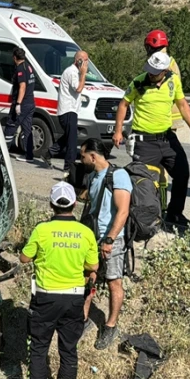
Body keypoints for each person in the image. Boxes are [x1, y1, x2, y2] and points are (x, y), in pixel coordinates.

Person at [20, 181, 99, 379]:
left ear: (51, 205)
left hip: (45, 298)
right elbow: (93, 266)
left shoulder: (42, 230)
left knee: (38, 349)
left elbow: (24, 258)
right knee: (68, 351)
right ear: (74, 204)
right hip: (73, 299)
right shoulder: (85, 232)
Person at [113, 51, 190, 227]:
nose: (151, 74)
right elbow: (123, 104)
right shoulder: (139, 82)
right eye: (150, 70)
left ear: (165, 70)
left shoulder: (173, 80)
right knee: (145, 181)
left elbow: (182, 104)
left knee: (182, 172)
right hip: (144, 141)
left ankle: (175, 213)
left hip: (167, 138)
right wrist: (118, 131)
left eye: (156, 72)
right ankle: (145, 217)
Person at [78, 138, 132, 350]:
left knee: (113, 282)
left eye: (83, 156)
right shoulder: (92, 176)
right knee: (88, 277)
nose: (81, 160)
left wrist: (110, 239)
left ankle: (110, 326)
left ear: (93, 156)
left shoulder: (118, 176)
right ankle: (83, 321)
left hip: (112, 239)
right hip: (92, 239)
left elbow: (123, 211)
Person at [43, 51, 89, 177]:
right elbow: (78, 88)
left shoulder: (76, 72)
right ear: (79, 60)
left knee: (68, 137)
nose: (87, 63)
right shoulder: (72, 72)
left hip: (71, 110)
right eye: (85, 60)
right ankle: (69, 167)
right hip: (68, 110)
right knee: (72, 141)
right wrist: (84, 74)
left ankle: (49, 152)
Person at [4, 47, 37, 162]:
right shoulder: (29, 66)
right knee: (27, 128)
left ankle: (2, 152)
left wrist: (18, 103)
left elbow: (22, 86)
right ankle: (29, 155)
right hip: (30, 102)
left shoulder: (20, 69)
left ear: (14, 57)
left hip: (22, 103)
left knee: (10, 125)